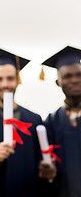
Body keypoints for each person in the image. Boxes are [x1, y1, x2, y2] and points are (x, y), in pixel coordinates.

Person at [0, 48, 56, 197]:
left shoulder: (34, 119)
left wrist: (45, 167)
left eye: (10, 78)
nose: (5, 84)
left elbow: (39, 158)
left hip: (29, 191)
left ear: (18, 80)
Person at [42, 46, 81, 197]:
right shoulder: (50, 123)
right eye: (68, 76)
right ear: (58, 82)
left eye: (79, 74)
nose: (75, 80)